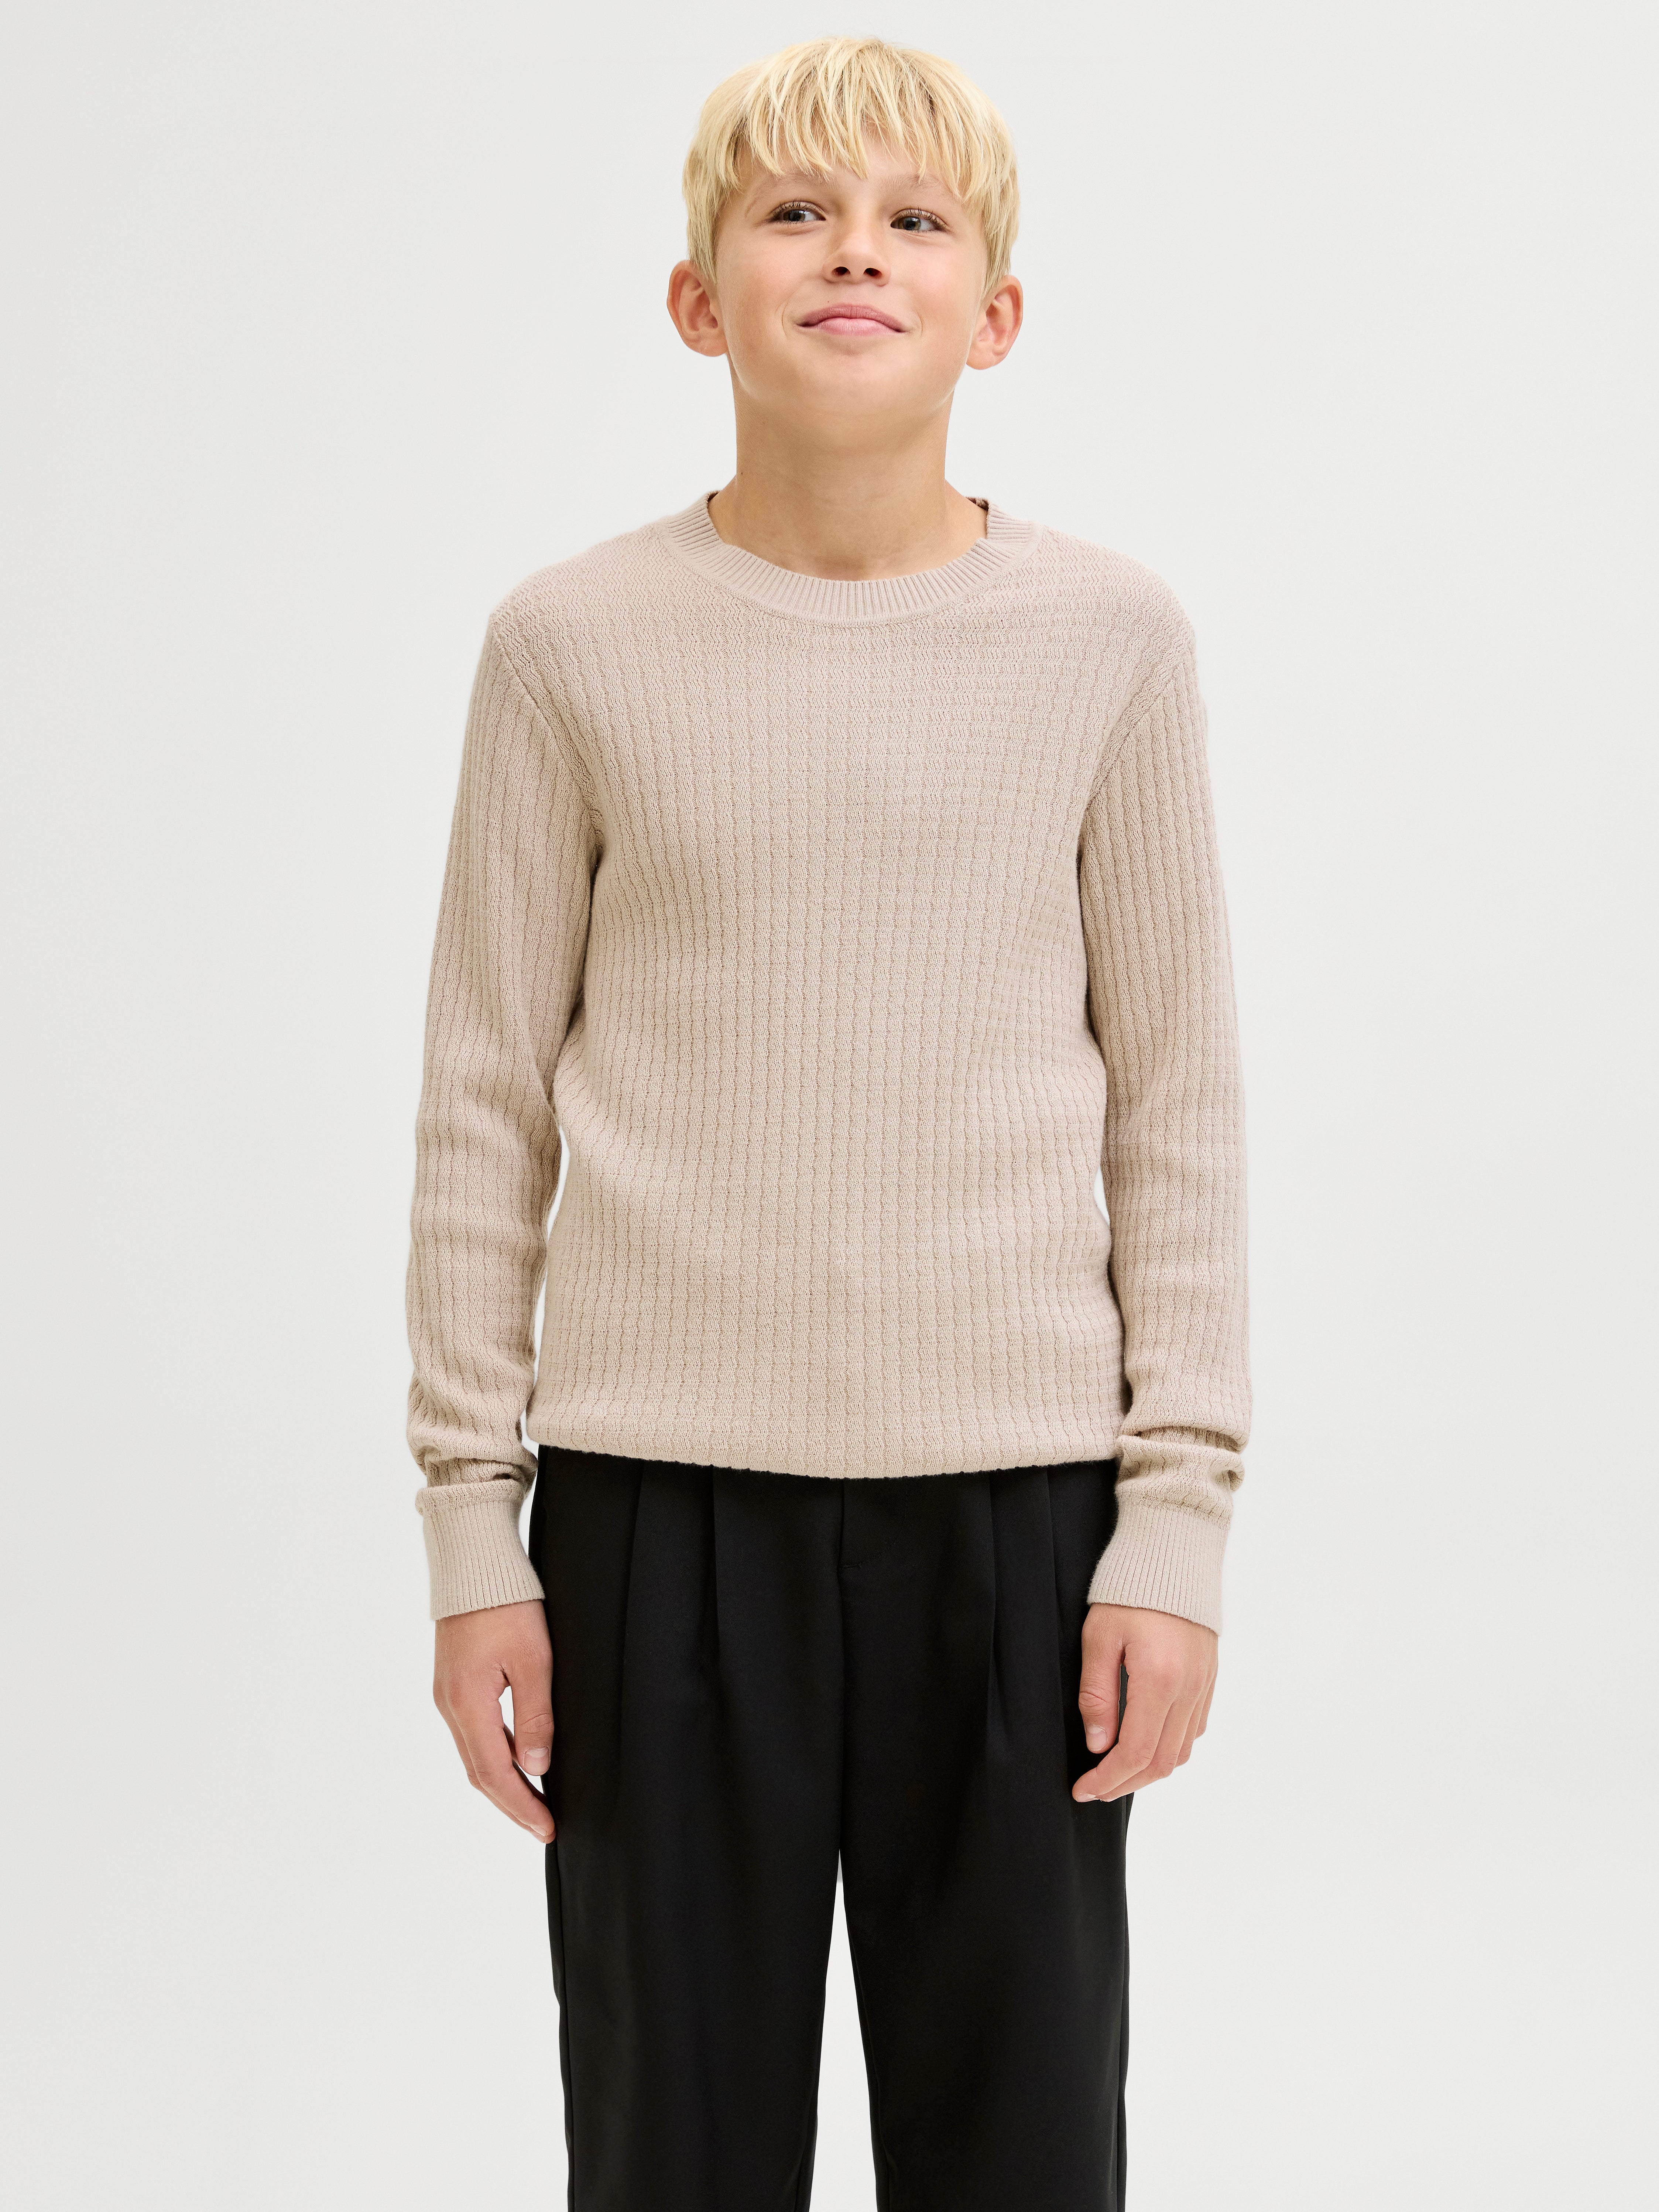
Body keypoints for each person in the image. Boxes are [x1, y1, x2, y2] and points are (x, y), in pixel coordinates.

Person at [405, 35, 1249, 2212]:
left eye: (912, 219)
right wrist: (477, 1544)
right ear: (700, 298)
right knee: (671, 2155)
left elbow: (1176, 1109)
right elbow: (483, 1102)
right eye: (794, 212)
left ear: (997, 311)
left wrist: (1174, 1529)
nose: (854, 252)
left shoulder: (1110, 643)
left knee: (1022, 2154)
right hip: (655, 1527)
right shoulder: (570, 647)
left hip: (1022, 1521)